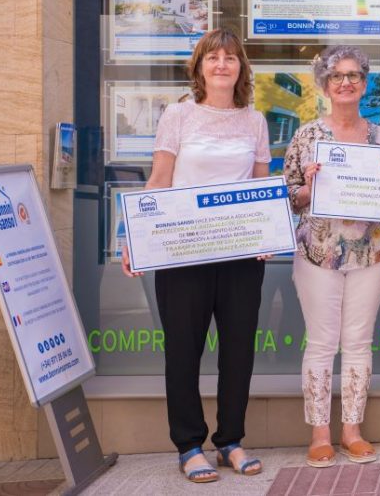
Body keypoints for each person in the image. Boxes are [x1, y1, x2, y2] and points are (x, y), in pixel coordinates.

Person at [121, 29, 271, 482]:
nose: (222, 65)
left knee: (239, 350)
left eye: (230, 58)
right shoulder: (178, 114)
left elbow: (260, 186)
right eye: (213, 58)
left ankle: (230, 440)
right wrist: (133, 237)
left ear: (241, 67)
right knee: (183, 350)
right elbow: (159, 180)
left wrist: (266, 233)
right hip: (183, 251)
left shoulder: (255, 120)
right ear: (200, 66)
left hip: (241, 254)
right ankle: (189, 445)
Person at [283, 47, 380, 467]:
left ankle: (352, 430)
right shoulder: (306, 136)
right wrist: (309, 188)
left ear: (366, 82)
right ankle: (320, 433)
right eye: (336, 76)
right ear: (324, 84)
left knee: (358, 342)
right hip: (318, 253)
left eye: (354, 75)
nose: (346, 82)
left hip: (371, 252)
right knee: (320, 343)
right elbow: (288, 198)